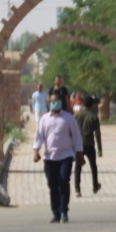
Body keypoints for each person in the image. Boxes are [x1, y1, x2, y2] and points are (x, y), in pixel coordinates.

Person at [32, 92, 84, 223]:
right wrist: (36, 151)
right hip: (49, 157)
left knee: (64, 181)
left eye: (57, 101)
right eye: (53, 102)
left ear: (61, 103)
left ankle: (64, 211)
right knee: (52, 185)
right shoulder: (44, 119)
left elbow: (77, 137)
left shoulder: (69, 118)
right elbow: (39, 136)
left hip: (65, 155)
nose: (55, 104)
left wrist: (80, 154)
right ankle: (55, 213)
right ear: (49, 103)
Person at [74, 94, 103, 197]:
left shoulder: (77, 116)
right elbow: (97, 134)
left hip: (78, 145)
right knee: (93, 166)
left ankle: (77, 189)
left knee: (78, 167)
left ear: (82, 104)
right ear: (92, 105)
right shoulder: (94, 117)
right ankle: (95, 186)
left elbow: (72, 132)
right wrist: (100, 149)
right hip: (89, 144)